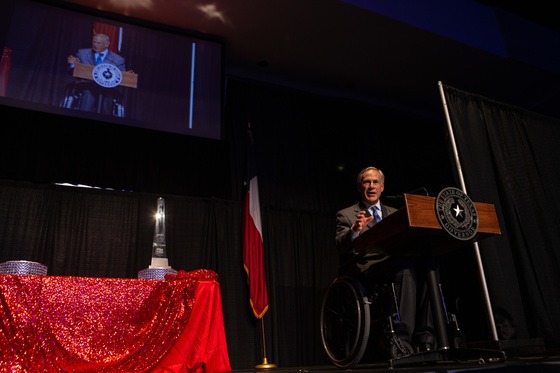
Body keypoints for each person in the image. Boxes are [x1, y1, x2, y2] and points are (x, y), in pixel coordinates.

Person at [335, 166, 436, 354]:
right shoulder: (347, 214)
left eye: (375, 182)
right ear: (360, 187)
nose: (371, 186)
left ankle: (425, 339)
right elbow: (341, 245)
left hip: (397, 262)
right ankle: (402, 342)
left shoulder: (396, 212)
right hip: (368, 271)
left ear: (382, 187)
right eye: (367, 182)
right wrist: (355, 230)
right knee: (406, 269)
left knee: (429, 267)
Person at [66, 33, 128, 115]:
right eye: (93, 42)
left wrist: (127, 74)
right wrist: (72, 64)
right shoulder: (82, 53)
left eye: (98, 43)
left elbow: (122, 76)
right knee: (89, 94)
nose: (95, 45)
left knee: (108, 97)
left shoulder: (118, 59)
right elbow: (72, 71)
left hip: (107, 89)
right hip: (87, 86)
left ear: (107, 44)